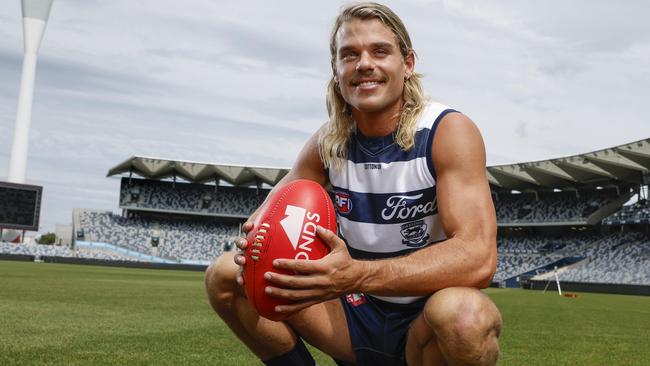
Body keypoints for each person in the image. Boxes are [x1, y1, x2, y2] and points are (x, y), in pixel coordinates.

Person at [205, 2, 502, 365]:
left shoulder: (447, 131)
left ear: (407, 64)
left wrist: (356, 275)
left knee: (466, 316)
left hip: (424, 323)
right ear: (336, 69)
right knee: (225, 274)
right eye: (350, 54)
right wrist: (256, 242)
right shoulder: (327, 143)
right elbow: (268, 216)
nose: (364, 64)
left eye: (380, 51)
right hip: (352, 315)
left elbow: (478, 258)